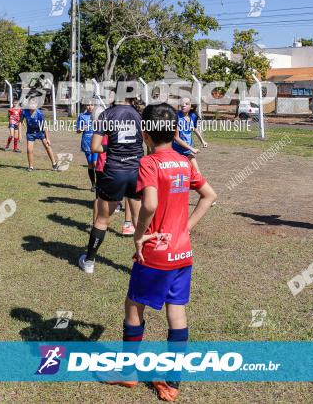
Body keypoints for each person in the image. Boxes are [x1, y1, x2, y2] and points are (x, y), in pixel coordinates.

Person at [106, 102, 217, 401]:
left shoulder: (149, 163)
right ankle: (173, 383)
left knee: (133, 306)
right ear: (176, 130)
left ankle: (128, 372)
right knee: (176, 312)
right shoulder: (184, 160)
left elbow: (150, 204)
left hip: (157, 252)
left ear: (145, 133)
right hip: (183, 252)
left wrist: (139, 236)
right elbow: (209, 196)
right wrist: (187, 228)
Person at [79, 80, 144, 273]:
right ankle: (145, 264)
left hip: (114, 171)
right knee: (139, 220)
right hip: (136, 171)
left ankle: (89, 261)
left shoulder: (107, 114)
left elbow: (95, 147)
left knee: (102, 219)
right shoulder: (140, 116)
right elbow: (147, 145)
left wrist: (111, 147)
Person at [21, 99, 59, 172]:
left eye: (34, 104)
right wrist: (20, 132)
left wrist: (47, 138)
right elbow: (20, 121)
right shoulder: (25, 112)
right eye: (31, 104)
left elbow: (45, 126)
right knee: (29, 150)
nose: (32, 105)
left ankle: (54, 164)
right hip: (30, 132)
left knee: (47, 146)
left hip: (40, 131)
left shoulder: (39, 113)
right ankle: (31, 167)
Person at [172, 97, 207, 172]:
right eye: (182, 103)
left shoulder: (193, 116)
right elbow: (176, 138)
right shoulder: (176, 116)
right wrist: (192, 149)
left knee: (197, 173)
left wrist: (202, 141)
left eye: (186, 104)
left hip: (187, 150)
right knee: (177, 173)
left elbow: (193, 128)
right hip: (176, 150)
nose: (183, 105)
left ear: (191, 106)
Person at [76, 100, 98, 192]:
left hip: (96, 142)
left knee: (95, 163)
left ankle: (100, 184)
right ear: (85, 106)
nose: (90, 107)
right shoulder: (82, 116)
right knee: (90, 164)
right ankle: (93, 184)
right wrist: (81, 129)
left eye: (92, 104)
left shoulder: (98, 115)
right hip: (86, 142)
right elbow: (77, 130)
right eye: (88, 105)